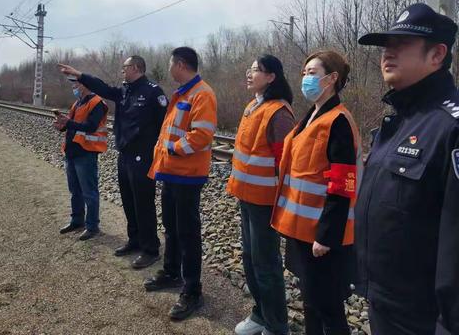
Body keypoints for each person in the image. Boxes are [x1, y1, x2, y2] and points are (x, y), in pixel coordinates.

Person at [355, 3, 459, 335]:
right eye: (386, 45)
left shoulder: (450, 128)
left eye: (401, 44)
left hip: (422, 319)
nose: (388, 52)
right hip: (382, 304)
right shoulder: (396, 122)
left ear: (437, 54)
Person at [271, 50, 360, 335]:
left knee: (328, 308)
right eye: (305, 73)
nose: (306, 78)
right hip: (301, 230)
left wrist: (326, 236)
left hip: (322, 236)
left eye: (313, 73)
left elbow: (342, 183)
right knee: (311, 302)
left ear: (332, 78)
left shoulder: (338, 121)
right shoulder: (309, 118)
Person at [58, 56, 167, 269]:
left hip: (143, 157)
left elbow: (164, 124)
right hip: (125, 155)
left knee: (143, 204)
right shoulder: (125, 90)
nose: (122, 71)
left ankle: (150, 249)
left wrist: (155, 152)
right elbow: (103, 88)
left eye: (125, 67)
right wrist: (80, 75)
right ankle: (134, 240)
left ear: (136, 68)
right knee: (128, 201)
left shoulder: (154, 92)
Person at [144, 46, 217, 321]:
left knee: (187, 232)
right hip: (171, 172)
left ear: (181, 64)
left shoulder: (203, 94)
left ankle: (192, 290)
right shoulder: (182, 93)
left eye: (171, 63)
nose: (169, 68)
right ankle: (171, 271)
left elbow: (202, 135)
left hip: (187, 174)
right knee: (172, 227)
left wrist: (173, 149)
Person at [227, 55, 295, 335]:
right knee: (250, 259)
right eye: (250, 69)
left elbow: (287, 164)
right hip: (247, 197)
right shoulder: (252, 107)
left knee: (266, 264)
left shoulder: (279, 113)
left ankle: (277, 325)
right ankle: (260, 314)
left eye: (256, 70)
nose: (249, 74)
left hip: (266, 202)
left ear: (271, 77)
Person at [54, 76, 108, 241]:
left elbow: (91, 127)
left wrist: (68, 123)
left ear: (85, 85)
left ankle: (92, 226)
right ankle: (77, 220)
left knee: (89, 192)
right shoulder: (77, 103)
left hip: (86, 153)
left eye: (76, 83)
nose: (74, 86)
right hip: (72, 152)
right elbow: (73, 125)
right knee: (75, 191)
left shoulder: (97, 103)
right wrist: (62, 126)